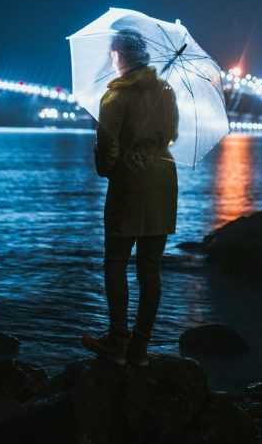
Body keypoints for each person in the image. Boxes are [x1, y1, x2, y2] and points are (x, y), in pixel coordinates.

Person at [82, 28, 179, 367]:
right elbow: (172, 135)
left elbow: (107, 158)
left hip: (130, 184)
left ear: (120, 56)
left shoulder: (114, 97)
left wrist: (102, 150)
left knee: (116, 262)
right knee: (150, 269)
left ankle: (118, 341)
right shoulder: (166, 91)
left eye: (113, 54)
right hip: (164, 181)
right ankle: (140, 348)